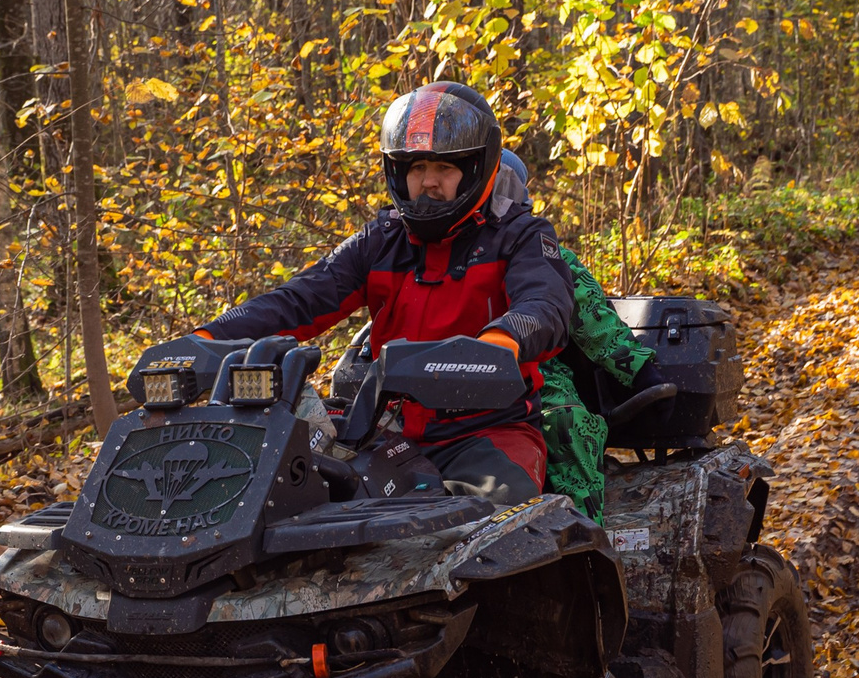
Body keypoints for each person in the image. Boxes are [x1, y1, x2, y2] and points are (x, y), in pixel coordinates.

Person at [194, 82, 571, 507]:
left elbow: (546, 305)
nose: (428, 181)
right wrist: (208, 338)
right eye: (415, 167)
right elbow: (301, 298)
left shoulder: (520, 235)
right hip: (387, 435)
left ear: (476, 167)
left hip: (489, 435)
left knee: (497, 517)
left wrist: (499, 342)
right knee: (291, 508)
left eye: (444, 168)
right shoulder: (382, 239)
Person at [485, 151, 665, 523]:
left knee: (567, 423)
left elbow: (594, 318)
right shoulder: (422, 250)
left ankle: (584, 546)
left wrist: (640, 371)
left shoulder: (541, 251)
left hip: (530, 377)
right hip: (436, 376)